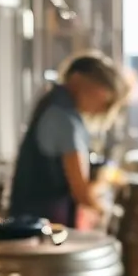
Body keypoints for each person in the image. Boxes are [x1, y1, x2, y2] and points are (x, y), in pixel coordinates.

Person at [8, 52, 128, 227]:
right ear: (79, 79)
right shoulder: (64, 119)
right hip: (43, 229)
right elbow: (81, 191)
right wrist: (107, 213)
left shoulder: (53, 104)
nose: (104, 106)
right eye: (104, 94)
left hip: (35, 224)